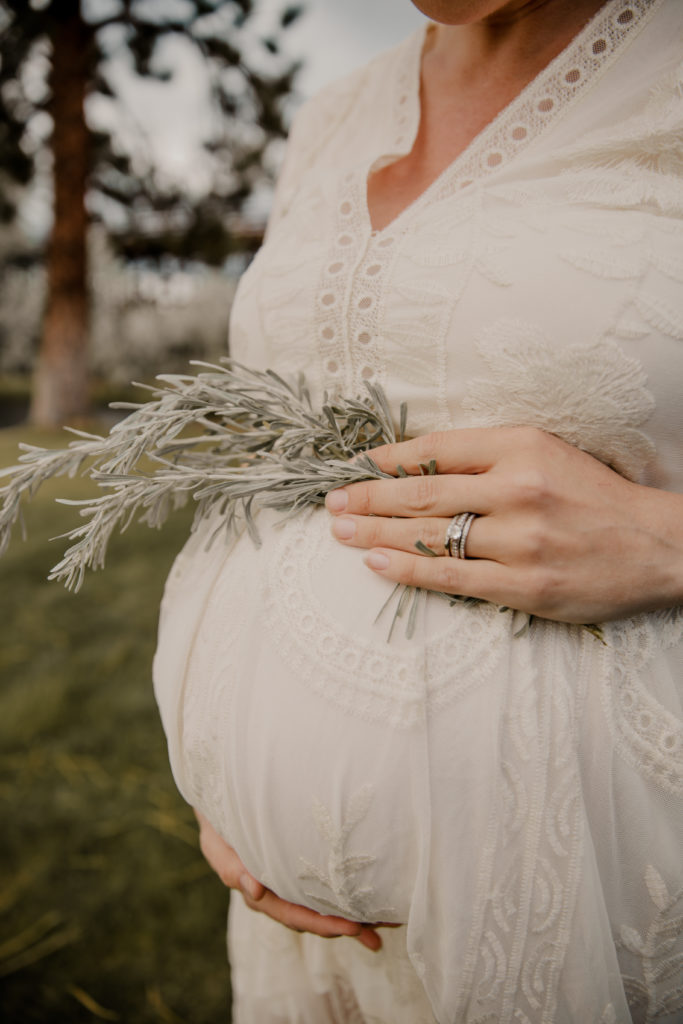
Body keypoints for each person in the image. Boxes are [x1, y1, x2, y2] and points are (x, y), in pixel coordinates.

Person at [152, 0, 683, 1020]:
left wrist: (664, 540)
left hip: (596, 890)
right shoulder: (335, 113)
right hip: (295, 938)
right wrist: (225, 768)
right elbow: (269, 458)